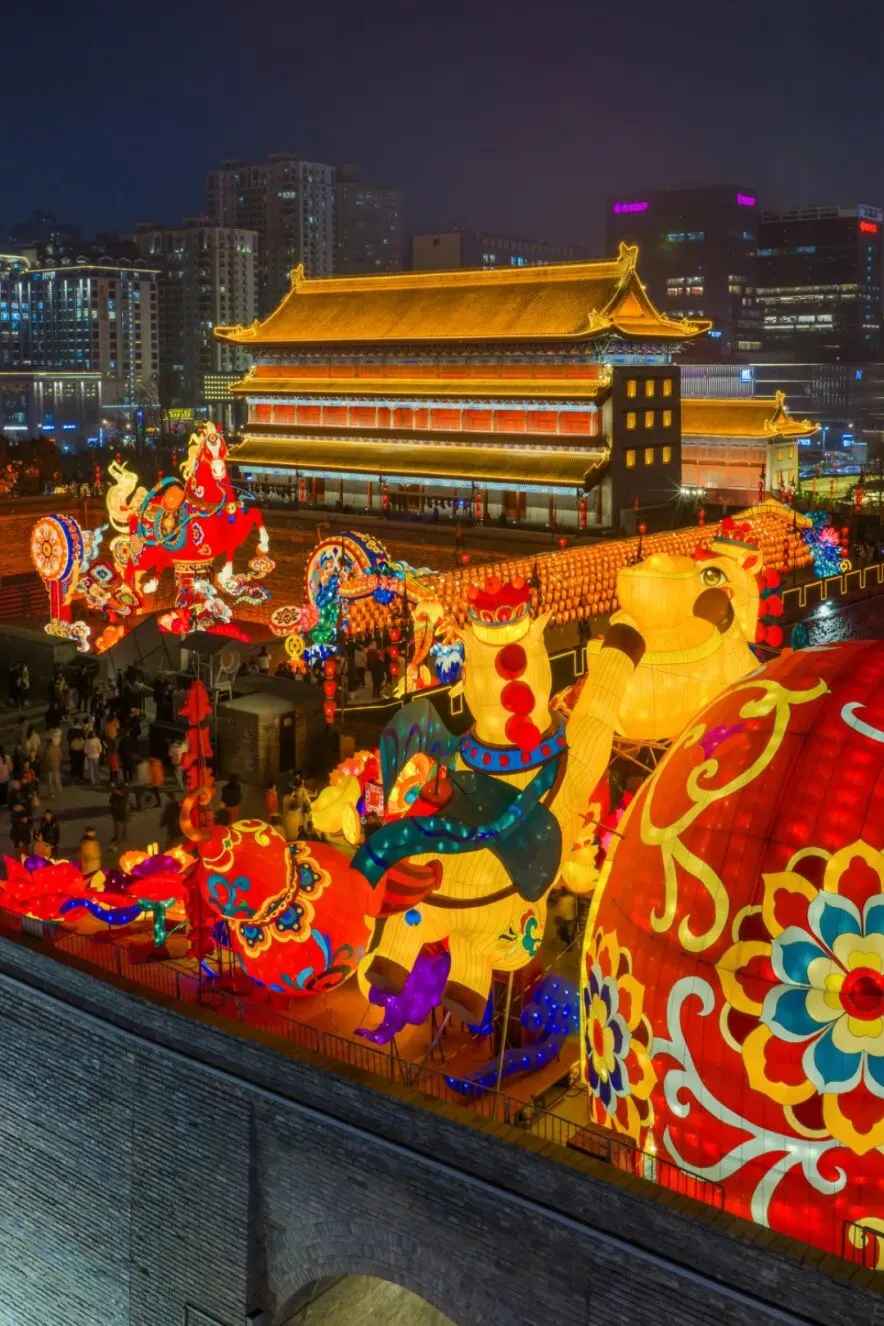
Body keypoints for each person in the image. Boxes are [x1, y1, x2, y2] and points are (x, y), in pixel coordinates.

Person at [42, 730, 63, 797]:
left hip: (53, 768)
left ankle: (58, 791)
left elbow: (60, 756)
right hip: (51, 768)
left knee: (54, 782)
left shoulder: (54, 748)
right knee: (51, 782)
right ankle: (52, 793)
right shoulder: (48, 750)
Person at [0, 745, 10, 810]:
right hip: (5, 777)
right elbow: (10, 767)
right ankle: (4, 803)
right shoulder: (7, 757)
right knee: (4, 790)